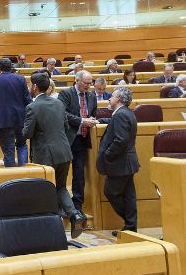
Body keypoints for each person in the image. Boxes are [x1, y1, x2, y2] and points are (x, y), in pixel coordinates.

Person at [23, 72, 83, 235]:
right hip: (64, 151)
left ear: (34, 87)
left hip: (45, 155)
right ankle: (74, 214)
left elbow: (27, 133)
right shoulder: (58, 104)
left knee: (45, 190)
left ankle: (49, 227)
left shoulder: (32, 107)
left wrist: (19, 132)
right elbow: (65, 127)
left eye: (30, 84)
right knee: (61, 187)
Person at [96, 86, 140, 232]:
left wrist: (108, 154)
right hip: (127, 162)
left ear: (119, 99)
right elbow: (115, 123)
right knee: (128, 195)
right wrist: (99, 120)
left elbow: (120, 140)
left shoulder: (120, 115)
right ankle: (131, 227)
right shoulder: (125, 112)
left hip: (120, 162)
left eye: (112, 96)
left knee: (111, 192)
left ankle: (129, 222)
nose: (109, 98)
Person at [58, 71, 101, 219]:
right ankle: (62, 206)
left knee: (79, 175)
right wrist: (83, 121)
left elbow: (93, 113)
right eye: (86, 83)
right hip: (67, 139)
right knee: (62, 174)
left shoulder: (91, 96)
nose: (89, 86)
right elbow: (62, 114)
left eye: (90, 83)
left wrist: (92, 120)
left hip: (82, 139)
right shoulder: (66, 94)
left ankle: (77, 207)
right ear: (77, 81)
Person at [0, 57, 30, 167]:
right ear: (11, 67)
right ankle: (25, 172)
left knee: (8, 148)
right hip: (21, 118)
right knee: (22, 145)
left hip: (4, 120)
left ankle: (12, 176)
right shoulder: (21, 79)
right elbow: (27, 100)